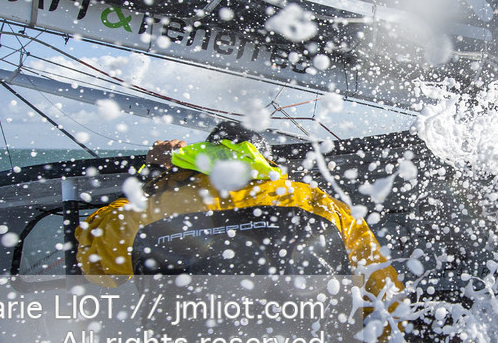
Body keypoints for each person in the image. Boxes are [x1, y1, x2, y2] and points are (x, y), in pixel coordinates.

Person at [75, 127, 402, 309]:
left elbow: (99, 270)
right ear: (267, 163)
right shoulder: (316, 202)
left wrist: (151, 177)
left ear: (200, 160)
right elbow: (383, 295)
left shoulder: (152, 208)